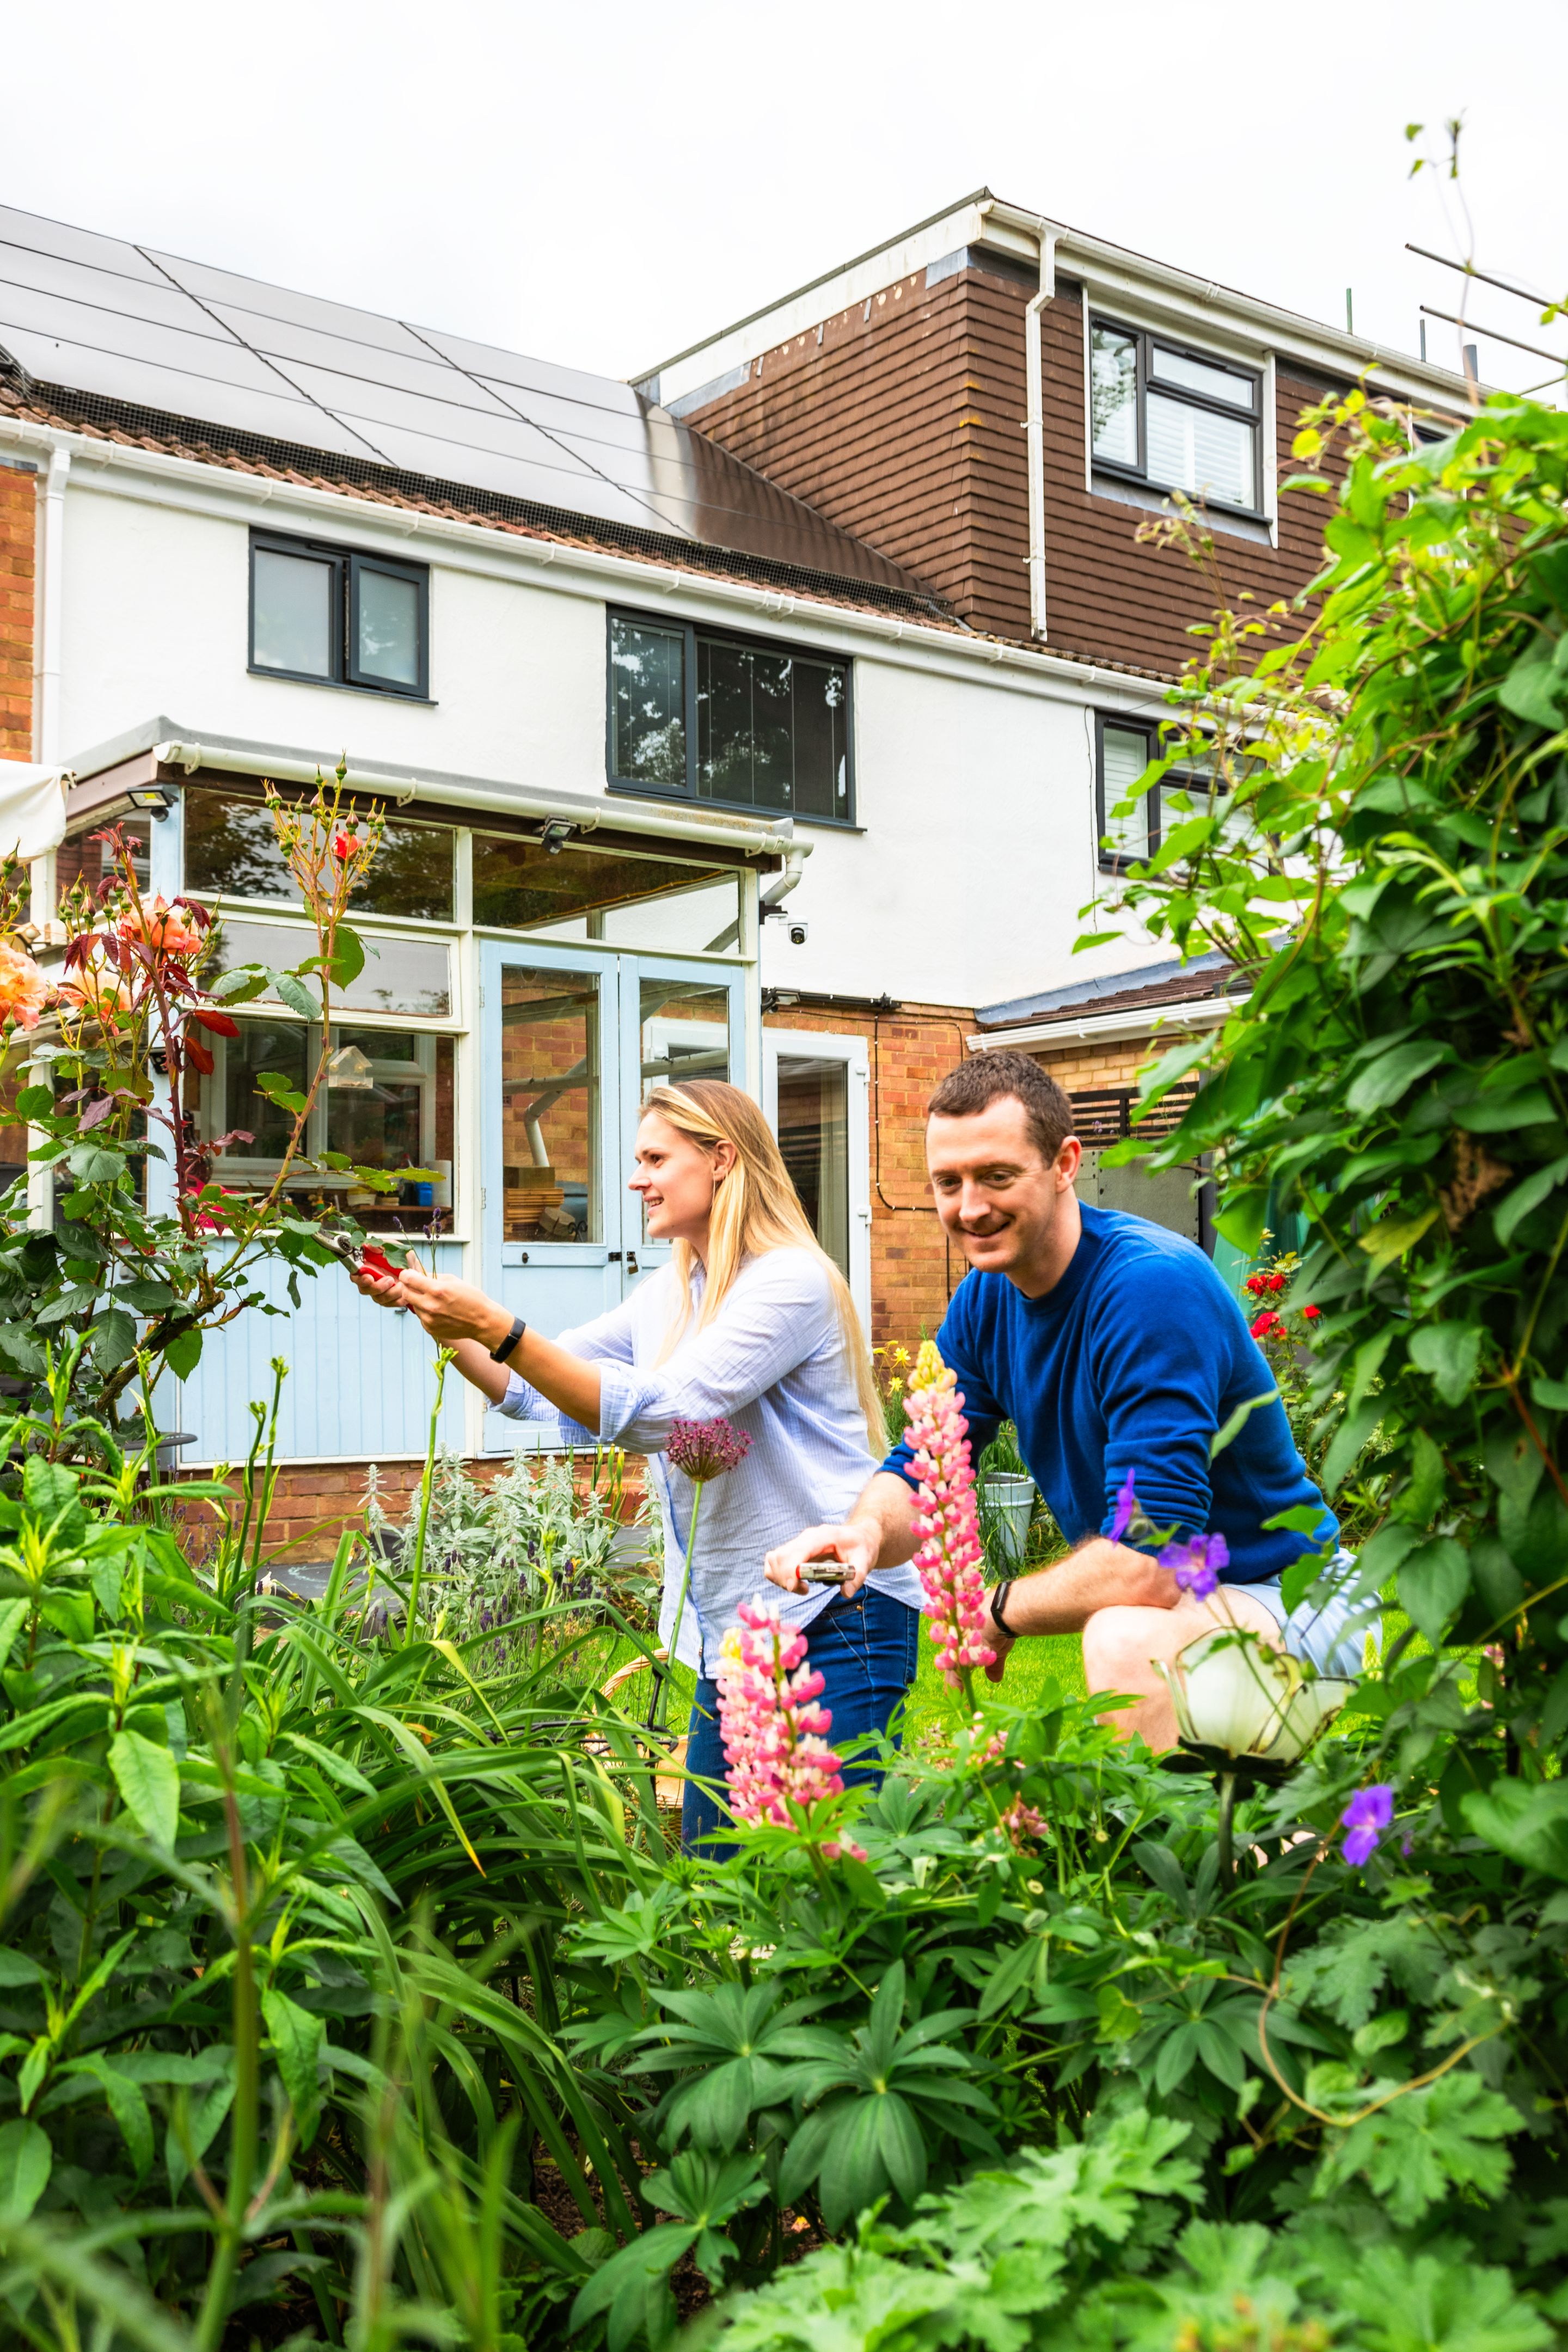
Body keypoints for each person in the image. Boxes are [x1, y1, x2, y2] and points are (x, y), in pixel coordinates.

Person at [351, 1079, 922, 1843]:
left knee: (831, 1871)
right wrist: (438, 1319)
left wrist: (494, 1321)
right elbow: (536, 1387)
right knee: (719, 1879)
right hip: (743, 1627)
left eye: (655, 1158)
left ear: (721, 1160)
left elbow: (667, 1412)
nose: (634, 1179)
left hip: (836, 1611)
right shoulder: (671, 1291)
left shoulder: (789, 1281)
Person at [764, 1053, 1359, 1747]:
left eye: (997, 1176)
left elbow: (1152, 1563)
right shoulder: (986, 1300)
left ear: (1066, 1163)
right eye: (947, 1183)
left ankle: (1207, 1844)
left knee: (1125, 1637)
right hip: (1211, 1600)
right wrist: (864, 1534)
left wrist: (997, 1609)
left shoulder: (1150, 1290)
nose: (970, 1208)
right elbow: (925, 1467)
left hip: (1288, 1589)